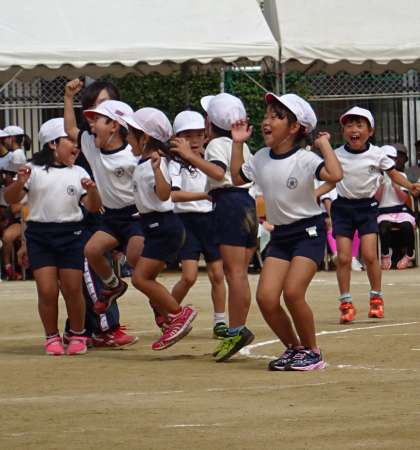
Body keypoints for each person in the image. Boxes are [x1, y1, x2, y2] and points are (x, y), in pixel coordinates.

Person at [230, 92, 342, 371]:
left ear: (294, 128)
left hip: (308, 232)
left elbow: (335, 175)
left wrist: (324, 145)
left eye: (276, 117)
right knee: (266, 298)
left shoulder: (305, 159)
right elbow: (236, 177)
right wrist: (237, 143)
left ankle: (313, 352)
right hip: (281, 235)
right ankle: (294, 348)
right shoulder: (260, 157)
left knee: (292, 292)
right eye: (267, 115)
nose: (267, 121)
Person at [170, 93, 257, 363]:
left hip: (229, 203)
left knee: (234, 274)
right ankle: (237, 327)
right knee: (239, 274)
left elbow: (218, 172)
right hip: (247, 204)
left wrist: (188, 155)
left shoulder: (218, 143)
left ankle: (235, 331)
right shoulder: (241, 145)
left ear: (210, 122)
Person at [4, 118, 102, 355]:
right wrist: (20, 182)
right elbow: (11, 199)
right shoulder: (33, 170)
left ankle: (77, 334)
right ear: (52, 144)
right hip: (40, 236)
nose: (75, 146)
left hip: (72, 234)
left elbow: (93, 206)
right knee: (47, 290)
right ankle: (51, 336)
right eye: (69, 140)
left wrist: (92, 190)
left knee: (72, 289)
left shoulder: (78, 172)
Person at [65, 79, 138, 348]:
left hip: (125, 215)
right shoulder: (90, 144)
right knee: (93, 264)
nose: (98, 113)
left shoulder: (131, 148)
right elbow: (71, 130)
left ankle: (97, 326)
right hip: (97, 213)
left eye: (105, 105)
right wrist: (68, 98)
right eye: (93, 108)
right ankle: (97, 328)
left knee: (133, 263)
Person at [332, 107, 420, 324]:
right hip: (342, 207)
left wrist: (411, 186)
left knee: (370, 255)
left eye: (359, 125)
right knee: (343, 258)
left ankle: (376, 298)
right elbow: (326, 176)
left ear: (370, 131)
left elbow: (393, 174)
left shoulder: (377, 154)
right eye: (349, 125)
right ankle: (346, 303)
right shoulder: (336, 154)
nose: (354, 130)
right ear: (343, 131)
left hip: (367, 207)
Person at [122, 107, 197, 351]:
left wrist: (156, 170)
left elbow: (164, 194)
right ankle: (168, 316)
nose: (127, 138)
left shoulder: (156, 162)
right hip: (155, 226)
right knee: (146, 277)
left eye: (130, 134)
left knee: (140, 278)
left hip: (163, 226)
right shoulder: (144, 162)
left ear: (144, 137)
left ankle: (178, 315)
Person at [169, 110, 227, 339]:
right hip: (186, 223)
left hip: (211, 221)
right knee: (189, 277)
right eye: (187, 135)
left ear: (206, 136)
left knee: (217, 274)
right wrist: (203, 195)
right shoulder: (175, 164)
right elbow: (174, 195)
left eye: (198, 135)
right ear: (176, 138)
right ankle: (168, 314)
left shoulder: (211, 161)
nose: (194, 140)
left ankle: (220, 321)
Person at [377, 144, 416, 270]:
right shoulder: (377, 177)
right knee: (383, 227)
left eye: (392, 158)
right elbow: (377, 200)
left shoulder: (401, 176)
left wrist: (396, 185)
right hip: (383, 211)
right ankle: (386, 255)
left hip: (400, 210)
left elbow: (403, 199)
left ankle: (409, 255)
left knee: (407, 226)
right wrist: (381, 185)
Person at [315, 181, 363, 271]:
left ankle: (353, 258)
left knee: (356, 224)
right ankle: (336, 254)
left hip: (345, 211)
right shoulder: (324, 180)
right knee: (331, 224)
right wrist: (332, 217)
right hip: (327, 213)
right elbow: (326, 200)